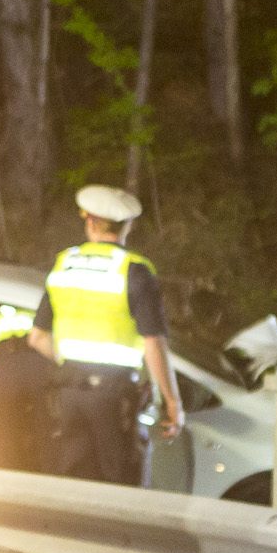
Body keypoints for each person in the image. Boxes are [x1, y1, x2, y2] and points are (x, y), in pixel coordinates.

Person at [28, 185, 182, 487]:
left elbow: (37, 338)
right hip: (114, 398)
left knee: (74, 483)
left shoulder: (63, 264)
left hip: (68, 395)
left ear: (89, 221)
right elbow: (153, 343)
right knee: (120, 483)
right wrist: (172, 402)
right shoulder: (134, 271)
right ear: (128, 226)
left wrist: (69, 363)